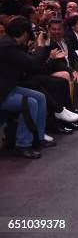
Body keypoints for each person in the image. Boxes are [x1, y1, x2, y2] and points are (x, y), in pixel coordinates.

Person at [0, 16, 50, 158]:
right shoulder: (8, 46)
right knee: (29, 103)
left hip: (6, 88)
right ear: (24, 33)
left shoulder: (8, 43)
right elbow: (34, 64)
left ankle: (38, 139)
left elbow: (28, 63)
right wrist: (40, 46)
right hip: (3, 92)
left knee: (40, 97)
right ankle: (23, 145)